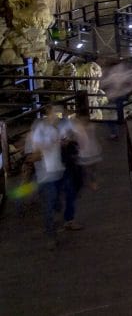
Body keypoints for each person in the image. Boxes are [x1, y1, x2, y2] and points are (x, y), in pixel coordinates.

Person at [25, 106, 66, 247]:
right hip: (46, 176)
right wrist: (43, 150)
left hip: (57, 173)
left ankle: (54, 228)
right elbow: (32, 155)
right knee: (49, 205)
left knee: (56, 203)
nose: (57, 116)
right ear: (48, 113)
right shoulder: (39, 130)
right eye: (55, 113)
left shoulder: (55, 129)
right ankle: (51, 236)